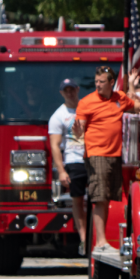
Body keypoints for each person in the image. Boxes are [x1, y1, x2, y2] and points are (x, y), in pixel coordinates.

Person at [73, 66, 140, 252]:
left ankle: (110, 238)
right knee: (100, 197)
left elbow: (135, 106)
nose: (97, 85)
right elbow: (80, 128)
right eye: (96, 82)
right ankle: (100, 241)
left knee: (112, 198)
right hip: (97, 154)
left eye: (101, 82)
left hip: (116, 154)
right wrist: (78, 130)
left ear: (112, 83)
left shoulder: (119, 98)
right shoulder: (87, 102)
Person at [48, 79, 88, 254]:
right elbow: (55, 145)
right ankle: (84, 238)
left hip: (93, 158)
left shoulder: (87, 108)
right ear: (61, 93)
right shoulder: (58, 116)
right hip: (73, 161)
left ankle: (98, 234)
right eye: (66, 91)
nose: (70, 93)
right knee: (77, 199)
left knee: (98, 198)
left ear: (78, 90)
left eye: (72, 89)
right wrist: (62, 171)